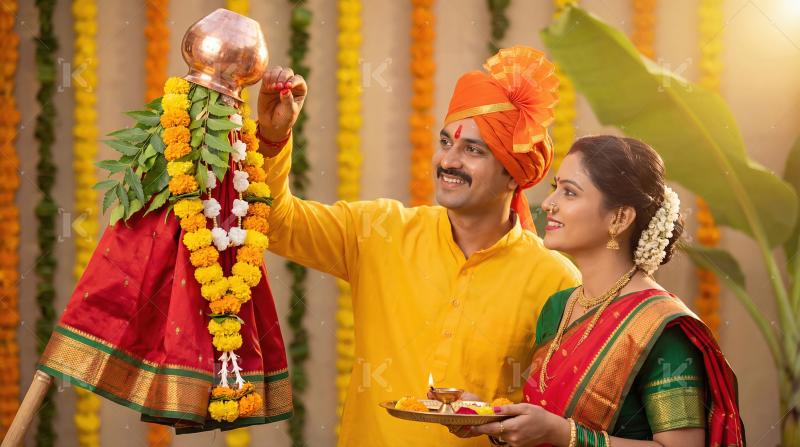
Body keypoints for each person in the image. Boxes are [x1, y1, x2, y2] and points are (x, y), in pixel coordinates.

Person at [256, 46, 580, 446]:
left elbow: (561, 413)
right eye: (446, 143)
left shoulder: (555, 278)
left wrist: (496, 422)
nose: (449, 161)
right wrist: (273, 139)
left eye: (473, 150)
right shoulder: (380, 230)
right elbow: (274, 222)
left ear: (513, 176)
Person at [454, 135, 744, 446]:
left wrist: (565, 434)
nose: (549, 204)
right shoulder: (558, 308)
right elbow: (543, 422)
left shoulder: (659, 327)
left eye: (569, 192)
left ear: (619, 218)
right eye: (556, 188)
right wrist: (491, 419)